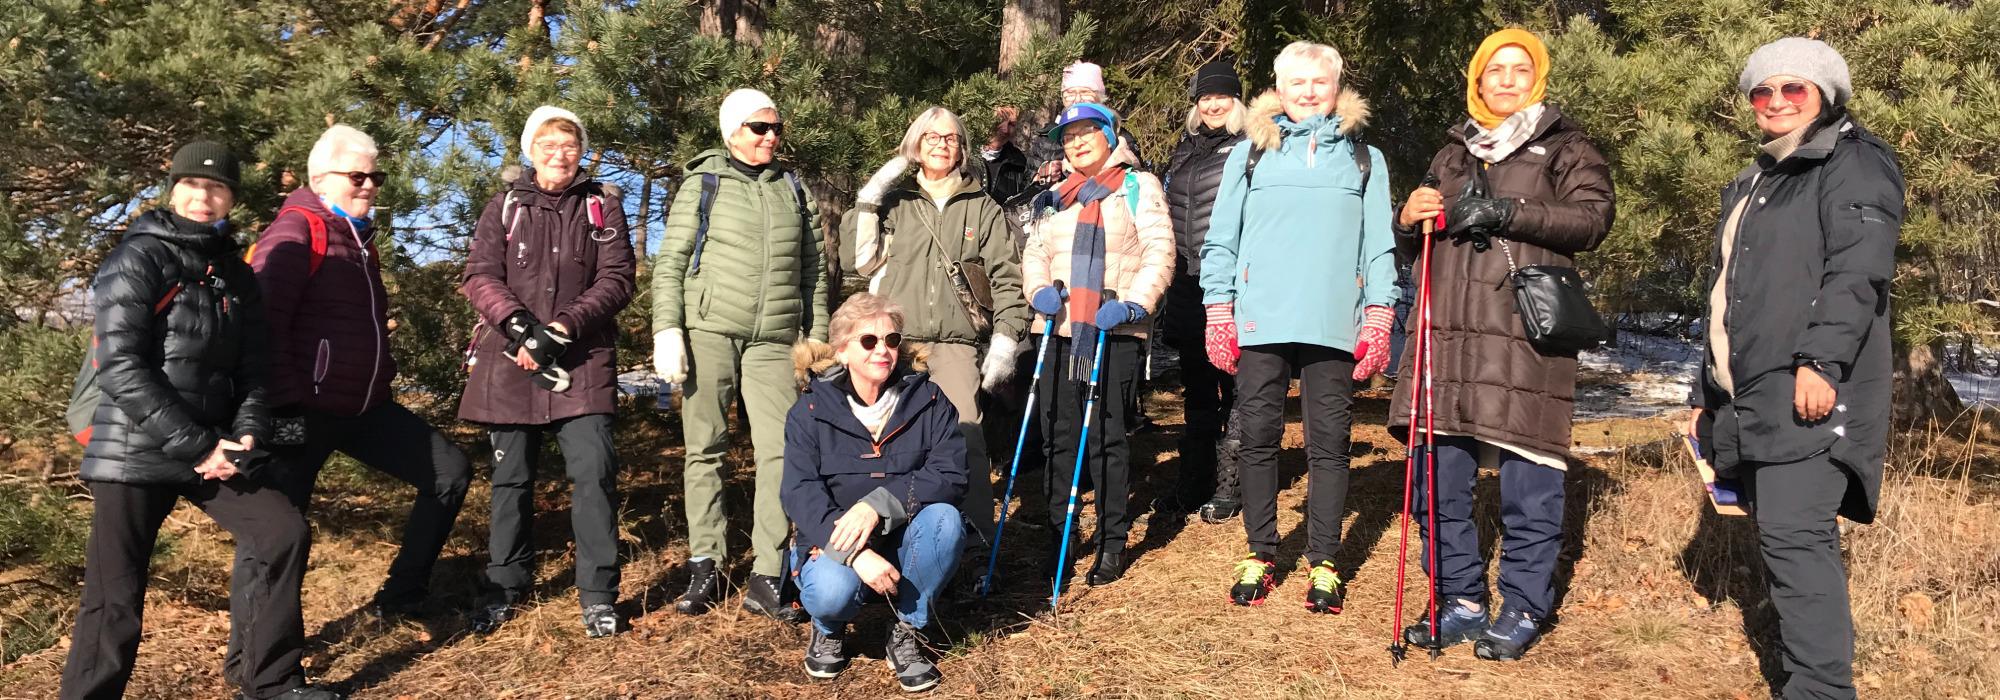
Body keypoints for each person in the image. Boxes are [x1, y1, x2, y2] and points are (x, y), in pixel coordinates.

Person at [63, 142, 338, 700]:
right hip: (133, 451)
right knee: (115, 599)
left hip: (211, 448)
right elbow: (120, 366)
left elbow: (254, 371)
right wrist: (197, 446)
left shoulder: (236, 273)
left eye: (217, 188)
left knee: (281, 531)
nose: (203, 197)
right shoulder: (137, 257)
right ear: (173, 189)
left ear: (231, 198)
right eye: (192, 185)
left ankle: (269, 680)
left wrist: (250, 430)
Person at [1389, 28, 1614, 659]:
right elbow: (1419, 243)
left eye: (1519, 69)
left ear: (1536, 77)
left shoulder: (1566, 148)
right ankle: (1459, 600)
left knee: (1528, 484)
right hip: (1447, 338)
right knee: (1438, 481)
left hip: (1522, 340)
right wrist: (1408, 218)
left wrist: (1509, 211)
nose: (1507, 80)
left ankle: (1521, 606)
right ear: (1478, 81)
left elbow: (1593, 219)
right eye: (1495, 71)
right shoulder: (1453, 153)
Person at [1687, 38, 1898, 700]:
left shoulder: (1852, 162)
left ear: (1826, 96)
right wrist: (1705, 393)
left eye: (1794, 90)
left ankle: (1820, 690)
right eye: (1763, 92)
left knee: (1796, 542)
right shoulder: (1756, 182)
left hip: (1809, 388)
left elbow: (1857, 273)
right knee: (1783, 541)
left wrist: (1820, 361)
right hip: (1751, 391)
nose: (1776, 102)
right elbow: (1728, 297)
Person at [1201, 41, 1397, 613]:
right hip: (1261, 319)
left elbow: (1379, 246)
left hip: (1334, 322)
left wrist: (1381, 315)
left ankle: (1325, 561)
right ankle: (1261, 553)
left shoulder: (1365, 158)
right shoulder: (1250, 154)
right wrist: (1219, 309)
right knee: (1258, 439)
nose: (1308, 92)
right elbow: (1222, 237)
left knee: (1329, 444)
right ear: (1277, 88)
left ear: (1337, 87)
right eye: (1297, 82)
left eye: (1320, 81)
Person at [248, 125, 470, 621]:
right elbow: (262, 328)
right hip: (298, 410)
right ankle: (257, 662)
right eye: (357, 176)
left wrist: (381, 371)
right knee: (278, 533)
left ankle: (401, 596)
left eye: (376, 176)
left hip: (362, 407)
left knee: (449, 472)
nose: (369, 185)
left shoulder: (358, 238)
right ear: (321, 179)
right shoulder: (295, 230)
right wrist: (283, 409)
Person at [459, 106, 637, 636]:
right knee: (510, 481)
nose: (559, 153)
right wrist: (519, 327)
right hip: (510, 360)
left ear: (582, 150)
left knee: (595, 475)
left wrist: (560, 329)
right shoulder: (504, 205)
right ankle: (505, 589)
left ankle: (599, 596)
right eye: (547, 143)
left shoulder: (603, 206)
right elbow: (479, 275)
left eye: (569, 143)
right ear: (528, 150)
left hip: (582, 361)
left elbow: (617, 278)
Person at [654, 88, 829, 619]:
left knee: (781, 451)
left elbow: (815, 272)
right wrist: (668, 329)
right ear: (733, 131)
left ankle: (768, 573)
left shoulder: (795, 190)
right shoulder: (702, 184)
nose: (770, 136)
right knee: (705, 447)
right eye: (759, 127)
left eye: (775, 127)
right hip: (708, 329)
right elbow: (671, 261)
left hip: (775, 338)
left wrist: (816, 338)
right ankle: (706, 564)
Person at [842, 106, 1030, 565]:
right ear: (915, 144)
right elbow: (856, 261)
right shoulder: (895, 203)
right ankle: (886, 541)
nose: (941, 144)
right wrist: (869, 197)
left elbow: (1007, 277)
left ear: (962, 147)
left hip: (953, 345)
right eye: (930, 136)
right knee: (884, 442)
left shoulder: (982, 208)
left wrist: (1006, 338)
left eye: (950, 137)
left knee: (965, 435)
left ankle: (975, 544)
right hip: (893, 344)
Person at [782, 294, 968, 693]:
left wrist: (877, 505)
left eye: (892, 339)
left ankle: (906, 629)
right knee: (832, 592)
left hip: (904, 538)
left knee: (946, 521)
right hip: (835, 542)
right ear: (843, 351)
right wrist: (855, 553)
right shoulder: (809, 412)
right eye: (869, 341)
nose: (883, 350)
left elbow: (950, 474)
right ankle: (828, 628)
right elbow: (800, 490)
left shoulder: (930, 400)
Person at [1021, 101, 1173, 587]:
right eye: (1068, 135)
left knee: (1107, 439)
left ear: (1110, 134)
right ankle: (1059, 540)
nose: (1077, 141)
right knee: (1059, 438)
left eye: (1088, 131)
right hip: (1059, 332)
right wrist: (1038, 291)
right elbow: (1035, 253)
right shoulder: (1056, 196)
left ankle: (1111, 541)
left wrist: (1135, 304)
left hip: (1112, 330)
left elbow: (1159, 251)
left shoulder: (1136, 186)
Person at [1158, 60, 1249, 523]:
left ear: (1237, 100)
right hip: (1187, 282)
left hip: (1231, 285)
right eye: (1205, 97)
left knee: (1234, 382)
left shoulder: (1250, 149)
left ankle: (1231, 484)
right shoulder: (1185, 150)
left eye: (1222, 96)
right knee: (1195, 384)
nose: (1212, 104)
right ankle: (1193, 479)